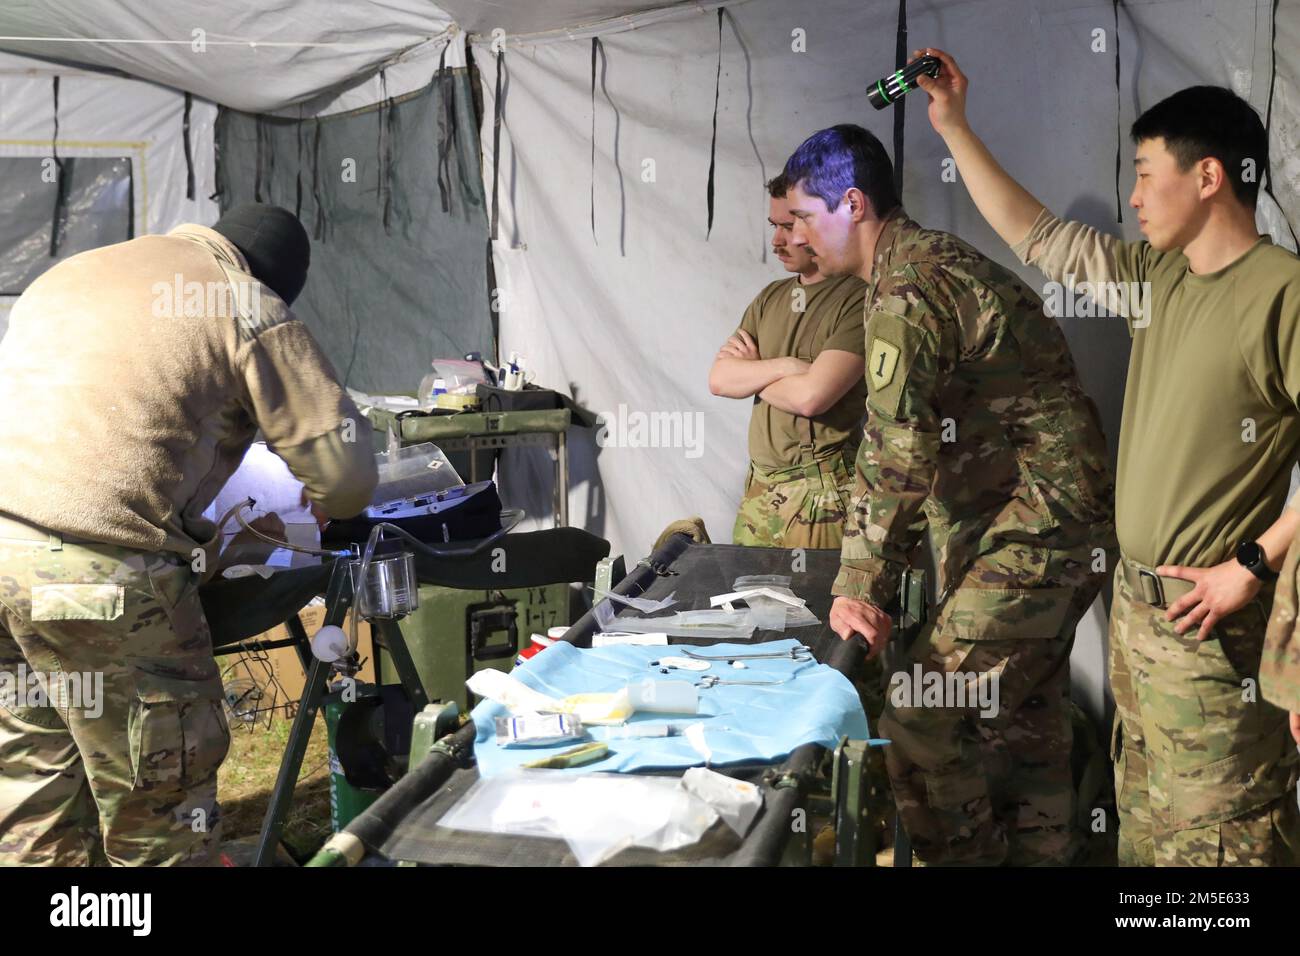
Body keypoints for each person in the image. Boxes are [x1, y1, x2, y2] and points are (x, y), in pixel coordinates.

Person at [914, 45, 1300, 865]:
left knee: (1222, 846)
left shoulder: (1283, 294)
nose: (1131, 195)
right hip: (1138, 620)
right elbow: (1039, 235)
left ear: (1208, 178)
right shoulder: (1154, 280)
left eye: (1144, 172)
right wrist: (954, 126)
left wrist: (1253, 566)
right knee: (1149, 838)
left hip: (1213, 632)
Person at [0, 203, 377, 866]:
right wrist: (332, 507)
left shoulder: (71, 273)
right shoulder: (243, 300)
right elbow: (343, 476)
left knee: (37, 801)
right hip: (97, 575)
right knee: (162, 810)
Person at [788, 124, 1116, 865]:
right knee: (1021, 720)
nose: (799, 237)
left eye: (806, 216)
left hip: (1040, 529)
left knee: (921, 711)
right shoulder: (923, 266)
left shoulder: (907, 289)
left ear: (852, 202)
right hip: (1037, 523)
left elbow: (896, 442)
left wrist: (860, 583)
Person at [710, 173, 868, 549]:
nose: (778, 241)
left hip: (819, 496)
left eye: (788, 225)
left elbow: (812, 398)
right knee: (746, 606)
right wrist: (786, 367)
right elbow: (719, 380)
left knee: (812, 606)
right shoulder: (771, 297)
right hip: (759, 490)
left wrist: (754, 370)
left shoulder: (858, 296)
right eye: (774, 226)